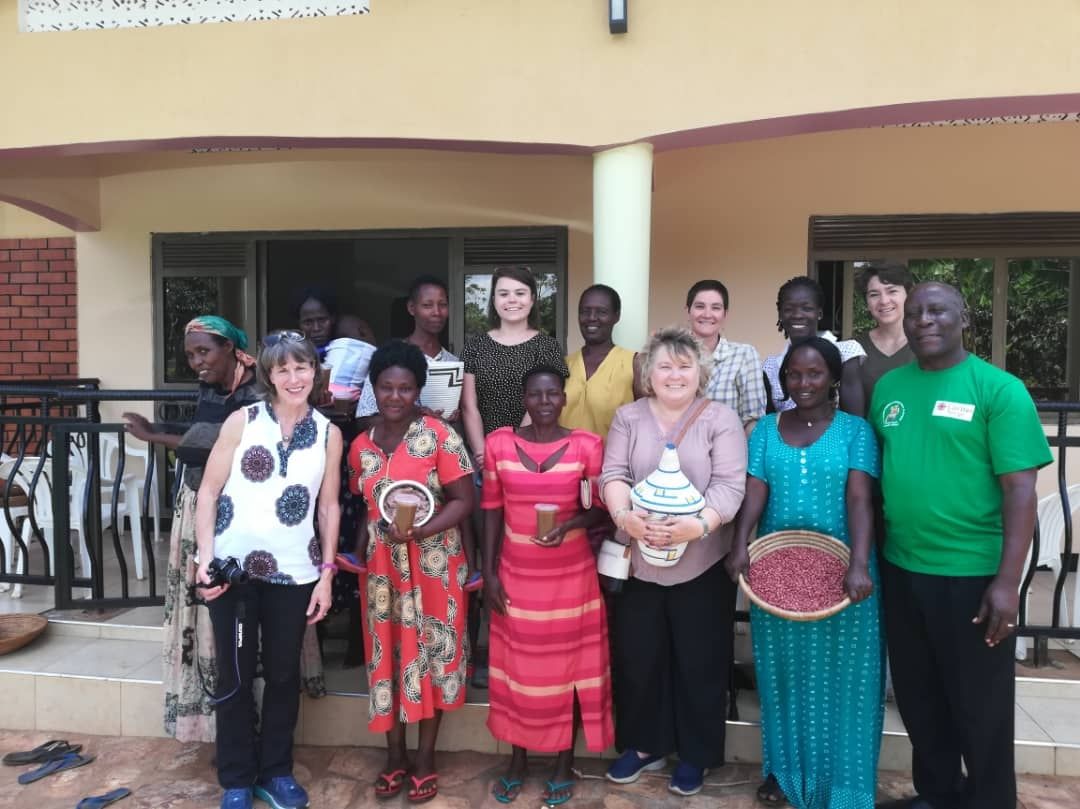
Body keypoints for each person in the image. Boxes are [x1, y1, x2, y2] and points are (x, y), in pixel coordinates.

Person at [871, 283, 1052, 809]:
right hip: (903, 568)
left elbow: (1021, 489)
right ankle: (939, 794)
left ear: (963, 318)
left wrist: (1007, 582)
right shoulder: (890, 389)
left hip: (973, 574)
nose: (925, 320)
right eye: (916, 312)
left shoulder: (998, 389)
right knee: (920, 696)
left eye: (938, 311)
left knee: (981, 703)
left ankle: (992, 799)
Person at [726, 337, 883, 809]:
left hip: (845, 574)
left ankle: (845, 786)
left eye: (814, 374)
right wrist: (739, 544)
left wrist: (858, 564)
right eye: (795, 374)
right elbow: (755, 489)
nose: (804, 383)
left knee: (847, 680)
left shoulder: (856, 431)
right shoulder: (767, 431)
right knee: (783, 676)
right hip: (778, 571)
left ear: (833, 377)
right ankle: (783, 773)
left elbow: (860, 498)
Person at [195, 330, 342, 809]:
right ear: (269, 375)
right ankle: (237, 777)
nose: (294, 377)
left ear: (314, 372)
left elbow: (329, 507)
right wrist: (204, 560)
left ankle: (275, 771)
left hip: (295, 575)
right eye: (283, 369)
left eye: (302, 368)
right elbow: (209, 493)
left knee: (282, 676)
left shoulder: (328, 433)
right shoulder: (243, 420)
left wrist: (325, 573)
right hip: (235, 573)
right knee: (235, 677)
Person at [600, 327, 746, 798]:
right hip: (639, 560)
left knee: (699, 660)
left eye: (685, 366)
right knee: (640, 656)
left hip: (701, 561)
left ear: (701, 372)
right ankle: (645, 745)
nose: (674, 374)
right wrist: (627, 518)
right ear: (648, 372)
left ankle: (697, 753)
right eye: (665, 365)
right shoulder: (628, 417)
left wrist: (696, 527)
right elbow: (614, 474)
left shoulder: (719, 418)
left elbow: (729, 485)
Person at [347, 341, 475, 804]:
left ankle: (424, 760)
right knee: (389, 659)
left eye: (405, 387)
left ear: (418, 389)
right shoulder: (360, 447)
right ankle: (394, 756)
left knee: (432, 656)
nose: (395, 396)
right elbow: (366, 507)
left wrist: (420, 533)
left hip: (435, 566)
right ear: (374, 389)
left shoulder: (439, 436)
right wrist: (357, 553)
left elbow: (465, 500)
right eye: (386, 387)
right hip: (381, 571)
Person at [482, 365, 614, 806]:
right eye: (536, 395)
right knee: (518, 672)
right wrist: (490, 572)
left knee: (569, 673)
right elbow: (491, 511)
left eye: (552, 394)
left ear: (563, 398)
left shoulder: (587, 445)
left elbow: (600, 508)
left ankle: (562, 762)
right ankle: (517, 760)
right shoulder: (498, 444)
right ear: (524, 399)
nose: (544, 402)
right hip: (515, 577)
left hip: (571, 580)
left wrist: (570, 525)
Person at [123, 315, 258, 743]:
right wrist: (160, 432)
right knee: (208, 617)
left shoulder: (255, 391)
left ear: (232, 350)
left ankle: (244, 726)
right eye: (190, 355)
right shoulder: (214, 386)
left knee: (238, 619)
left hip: (242, 515)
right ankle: (218, 723)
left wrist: (152, 436)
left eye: (205, 351)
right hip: (202, 506)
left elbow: (217, 443)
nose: (197, 361)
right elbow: (200, 431)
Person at [461, 265, 568, 471]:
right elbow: (468, 406)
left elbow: (543, 404)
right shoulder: (475, 346)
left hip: (532, 453)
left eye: (520, 293)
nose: (512, 300)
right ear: (494, 300)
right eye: (503, 294)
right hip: (484, 459)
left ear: (532, 299)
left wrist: (514, 451)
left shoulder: (547, 347)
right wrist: (483, 453)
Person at [763, 276, 866, 416]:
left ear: (819, 313)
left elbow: (855, 422)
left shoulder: (846, 353)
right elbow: (770, 422)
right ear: (780, 314)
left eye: (806, 308)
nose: (797, 315)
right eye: (788, 309)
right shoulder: (771, 367)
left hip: (838, 437)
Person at [686, 279, 766, 436]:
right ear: (688, 311)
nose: (707, 314)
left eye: (716, 308)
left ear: (725, 314)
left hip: (727, 454)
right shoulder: (673, 354)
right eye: (700, 306)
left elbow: (753, 419)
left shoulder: (744, 355)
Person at [560, 284, 641, 439]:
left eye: (602, 312)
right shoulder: (563, 365)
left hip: (613, 462)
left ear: (616, 316)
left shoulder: (634, 363)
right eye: (585, 311)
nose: (591, 318)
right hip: (564, 462)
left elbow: (648, 421)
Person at [854, 263, 915, 401]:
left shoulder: (926, 345)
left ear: (908, 295)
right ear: (867, 303)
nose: (884, 301)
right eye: (874, 294)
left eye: (892, 291)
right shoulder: (855, 348)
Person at [295, 287, 338, 362]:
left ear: (333, 319)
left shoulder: (345, 351)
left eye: (322, 320)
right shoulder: (291, 356)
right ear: (298, 323)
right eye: (308, 322)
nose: (316, 328)